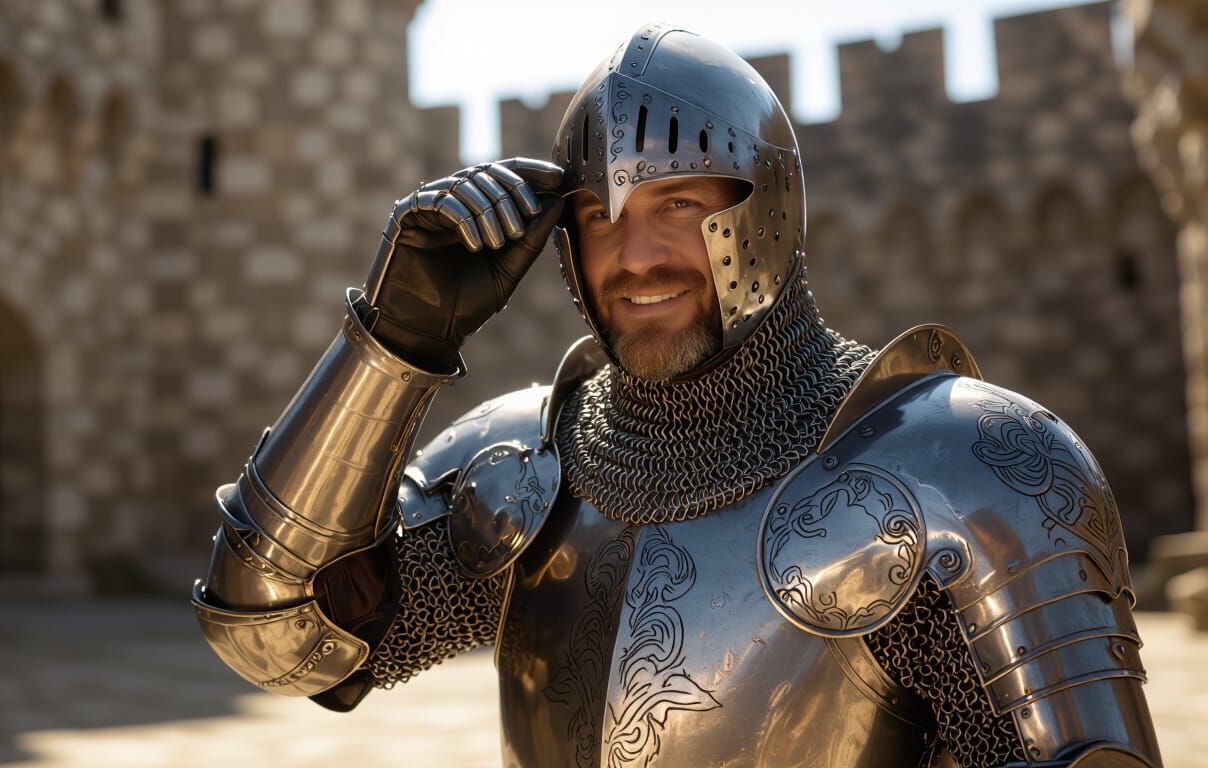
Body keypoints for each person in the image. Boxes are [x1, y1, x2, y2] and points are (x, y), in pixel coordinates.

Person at [192, 24, 1162, 768]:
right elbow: (273, 637)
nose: (636, 257)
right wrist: (392, 341)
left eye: (681, 205)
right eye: (597, 217)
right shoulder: (530, 469)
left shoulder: (969, 471)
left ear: (767, 210)